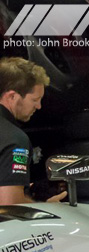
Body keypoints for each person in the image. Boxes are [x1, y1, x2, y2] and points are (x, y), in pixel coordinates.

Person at [0, 57, 67, 205]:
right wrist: (45, 208)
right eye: (35, 100)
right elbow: (10, 205)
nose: (39, 106)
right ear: (12, 96)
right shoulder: (14, 139)